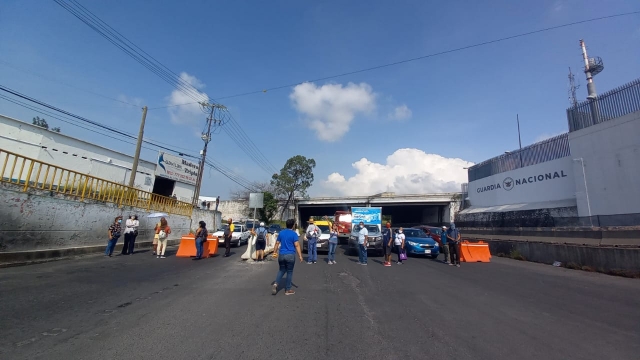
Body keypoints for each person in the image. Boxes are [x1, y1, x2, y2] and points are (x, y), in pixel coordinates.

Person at [271, 219, 304, 296]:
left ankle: (276, 284)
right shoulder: (294, 234)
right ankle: (288, 289)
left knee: (281, 270)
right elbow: (297, 245)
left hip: (281, 254)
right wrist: (300, 256)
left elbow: (277, 243)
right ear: (293, 226)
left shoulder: (281, 233)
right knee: (289, 272)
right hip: (290, 255)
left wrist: (274, 252)